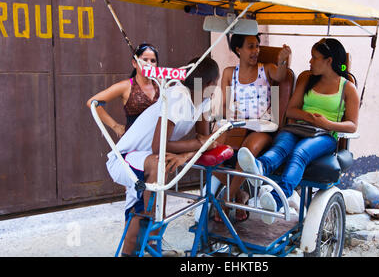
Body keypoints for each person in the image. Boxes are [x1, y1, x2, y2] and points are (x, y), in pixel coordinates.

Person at [105, 56, 220, 256]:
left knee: (153, 207)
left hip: (147, 159)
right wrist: (199, 144)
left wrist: (188, 153)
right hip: (124, 158)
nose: (215, 90)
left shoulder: (202, 101)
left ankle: (149, 243)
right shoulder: (178, 95)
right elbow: (159, 146)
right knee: (148, 209)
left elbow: (204, 140)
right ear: (209, 84)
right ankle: (145, 237)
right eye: (216, 85)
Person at [237, 38, 360, 224]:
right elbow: (291, 110)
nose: (310, 61)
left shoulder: (347, 88)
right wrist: (310, 117)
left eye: (314, 57)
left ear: (329, 61)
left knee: (299, 153)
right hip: (299, 127)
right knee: (281, 147)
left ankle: (279, 198)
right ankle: (260, 167)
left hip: (325, 135)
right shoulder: (306, 78)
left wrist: (327, 123)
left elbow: (352, 125)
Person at [215, 34, 291, 222]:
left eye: (257, 46)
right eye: (250, 46)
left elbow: (281, 76)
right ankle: (239, 194)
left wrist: (282, 61)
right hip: (235, 125)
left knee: (245, 152)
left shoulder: (266, 69)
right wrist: (229, 116)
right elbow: (224, 105)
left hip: (262, 127)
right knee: (207, 153)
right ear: (238, 50)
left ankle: (227, 200)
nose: (256, 51)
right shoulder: (228, 72)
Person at [86, 43, 160, 138]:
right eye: (145, 60)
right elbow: (92, 102)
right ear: (134, 63)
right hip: (134, 141)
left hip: (158, 141)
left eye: (153, 61)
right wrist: (115, 126)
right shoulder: (126, 86)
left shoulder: (161, 85)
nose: (149, 64)